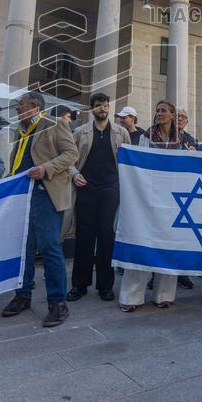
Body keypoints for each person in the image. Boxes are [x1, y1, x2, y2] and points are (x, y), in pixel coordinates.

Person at [1, 92, 79, 327]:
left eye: (20, 105)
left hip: (46, 194)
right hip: (22, 195)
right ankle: (23, 294)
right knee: (23, 248)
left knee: (49, 247)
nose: (17, 109)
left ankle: (58, 303)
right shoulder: (20, 130)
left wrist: (46, 168)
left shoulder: (54, 125)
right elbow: (17, 162)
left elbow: (71, 154)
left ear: (34, 106)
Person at [119, 100, 194, 311]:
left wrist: (190, 155)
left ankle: (164, 295)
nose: (159, 113)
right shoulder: (146, 136)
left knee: (168, 243)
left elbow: (194, 161)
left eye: (164, 111)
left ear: (172, 115)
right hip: (148, 194)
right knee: (142, 241)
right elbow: (140, 161)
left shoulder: (183, 140)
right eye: (157, 110)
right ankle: (131, 296)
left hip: (172, 196)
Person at [67, 93, 131, 302]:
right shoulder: (80, 132)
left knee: (106, 237)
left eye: (106, 105)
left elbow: (129, 161)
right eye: (98, 106)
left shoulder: (121, 133)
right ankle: (79, 284)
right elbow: (69, 159)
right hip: (86, 190)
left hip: (111, 190)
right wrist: (74, 174)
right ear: (92, 109)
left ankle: (105, 285)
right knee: (84, 237)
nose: (103, 109)